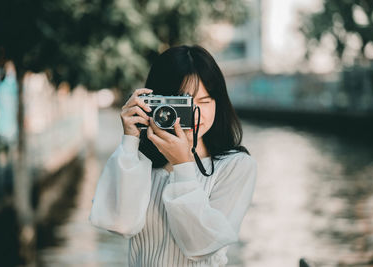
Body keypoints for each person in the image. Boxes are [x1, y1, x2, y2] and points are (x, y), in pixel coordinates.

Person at [89, 45, 258, 267]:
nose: (195, 112)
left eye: (205, 101)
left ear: (219, 103)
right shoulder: (138, 163)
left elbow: (201, 246)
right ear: (157, 102)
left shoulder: (236, 166)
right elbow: (120, 224)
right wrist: (130, 141)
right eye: (183, 103)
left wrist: (183, 164)